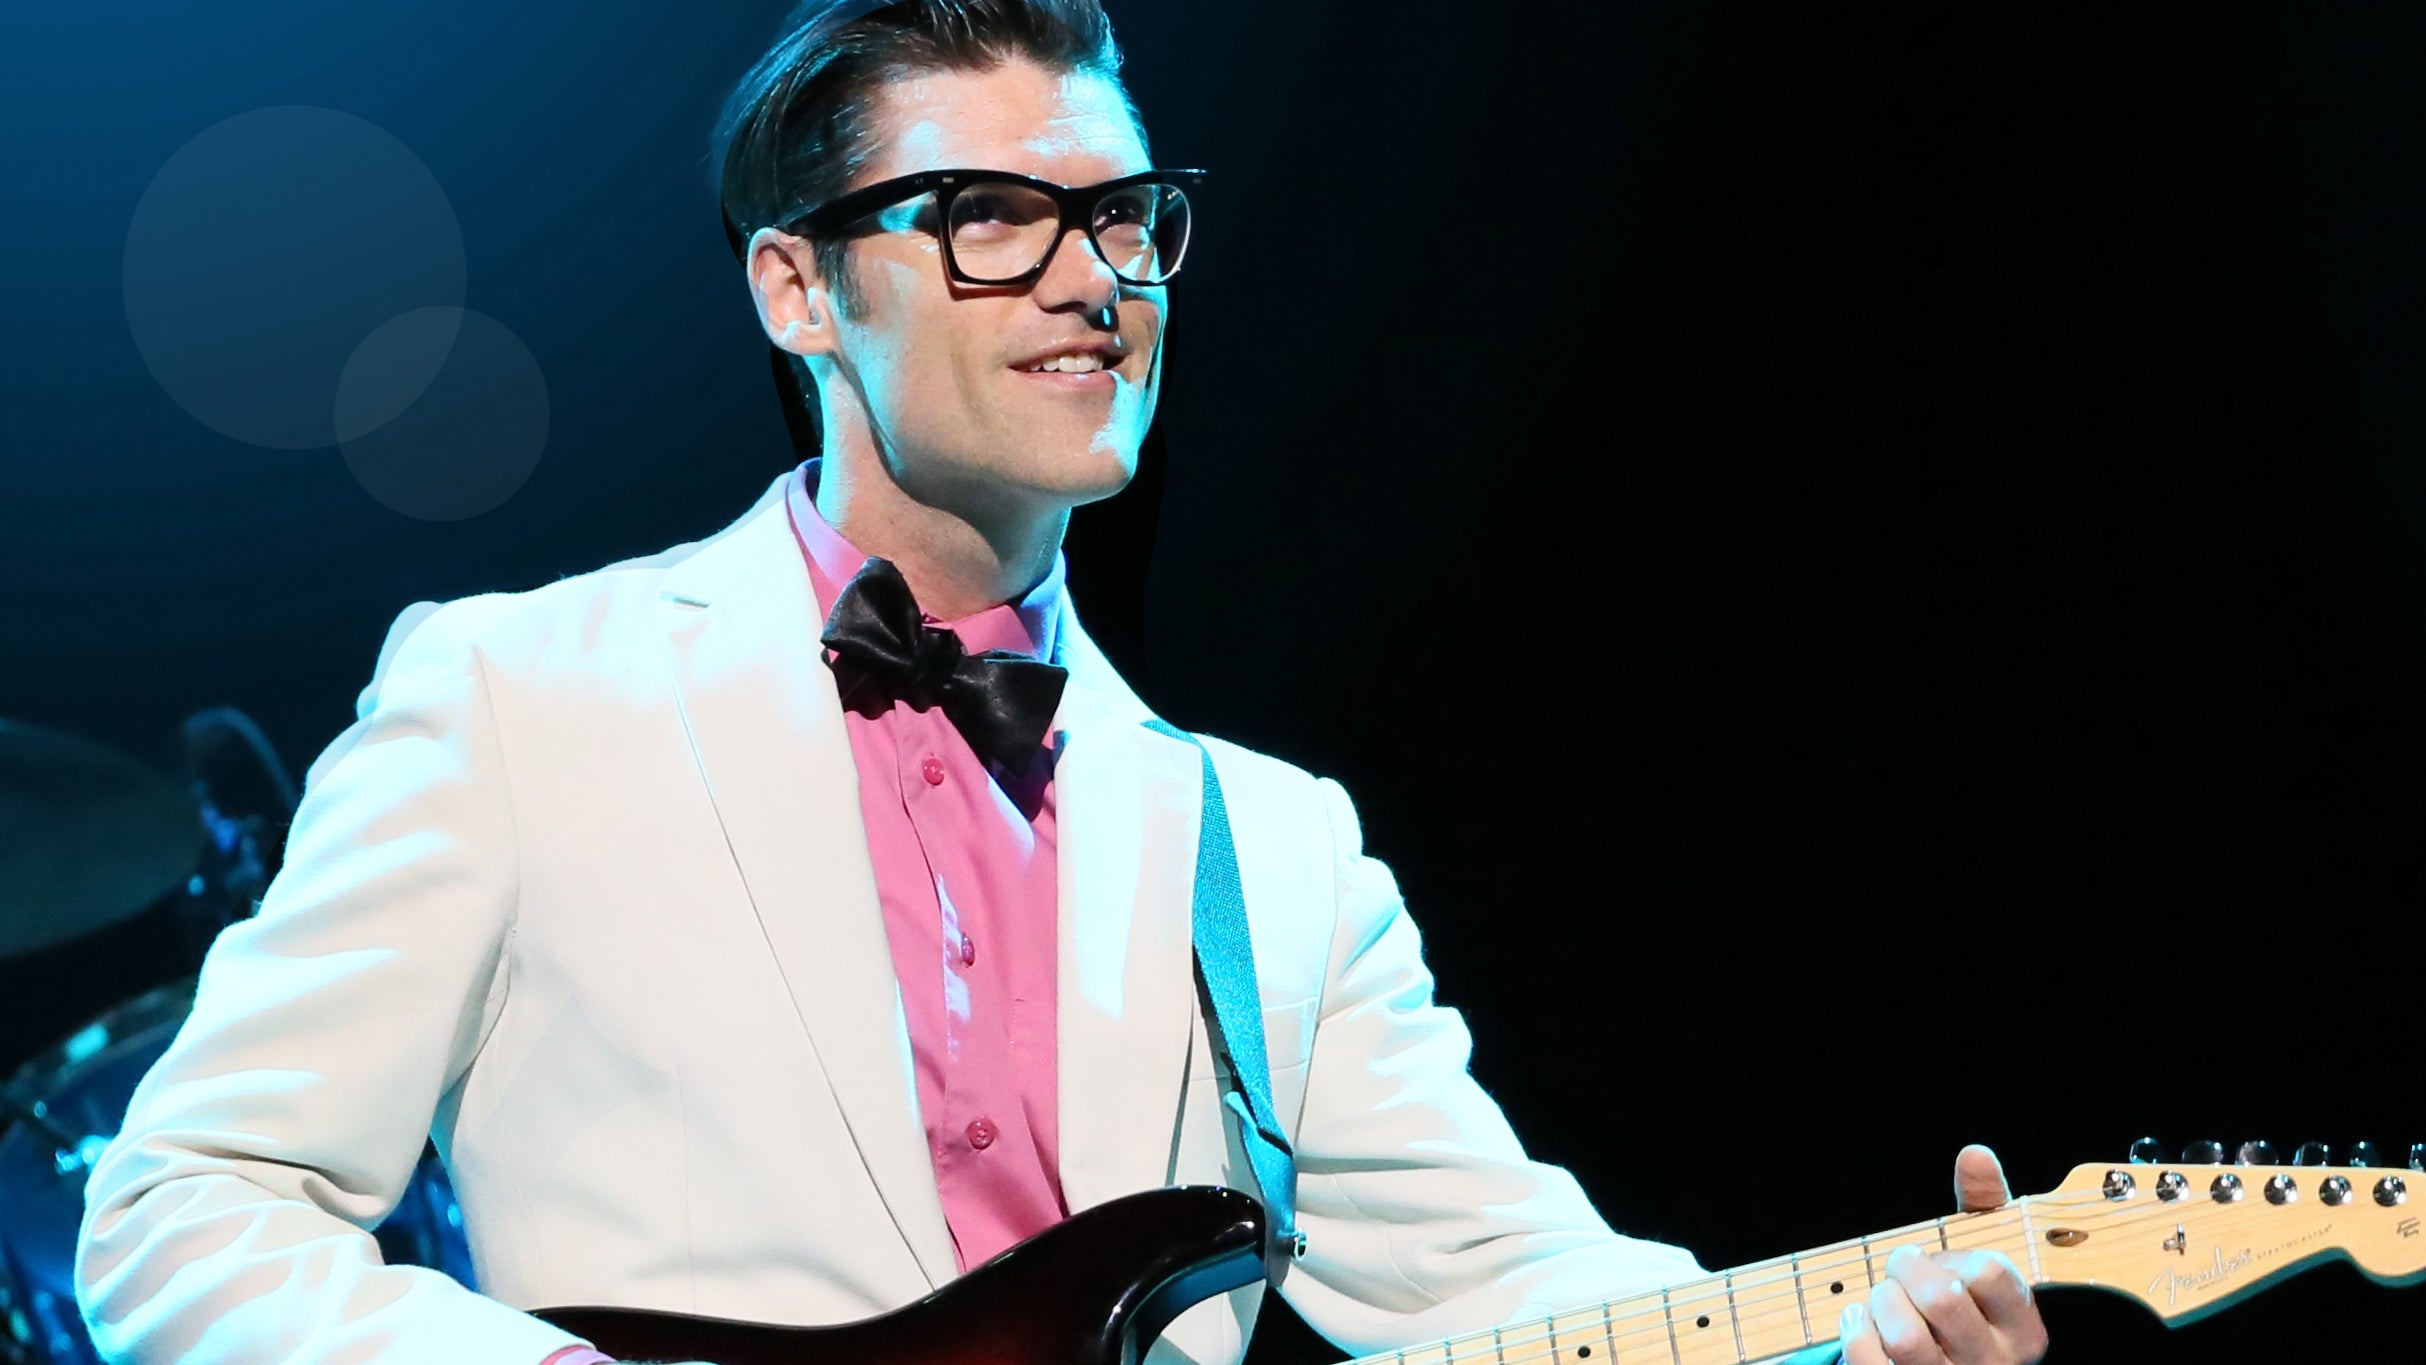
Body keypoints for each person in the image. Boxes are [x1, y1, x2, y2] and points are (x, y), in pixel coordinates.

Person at [74, 4, 2050, 1365]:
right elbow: (181, 1202)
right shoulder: (520, 691)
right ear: (795, 287)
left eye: (1123, 217)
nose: (1094, 278)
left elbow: (1518, 1301)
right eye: (993, 217)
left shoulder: (1269, 846)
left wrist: (1845, 1322)